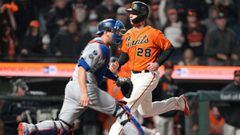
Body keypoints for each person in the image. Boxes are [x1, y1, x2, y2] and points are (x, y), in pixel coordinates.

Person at [18, 19, 143, 135]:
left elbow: (100, 69)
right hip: (84, 86)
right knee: (121, 112)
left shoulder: (103, 46)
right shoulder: (99, 47)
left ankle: (30, 128)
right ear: (106, 32)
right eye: (116, 31)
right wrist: (84, 93)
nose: (119, 35)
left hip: (73, 87)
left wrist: (116, 79)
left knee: (63, 125)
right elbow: (83, 68)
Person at [109, 1, 190, 134]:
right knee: (146, 111)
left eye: (134, 13)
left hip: (148, 75)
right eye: (130, 13)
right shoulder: (128, 34)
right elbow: (125, 54)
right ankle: (177, 103)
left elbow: (169, 48)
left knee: (125, 108)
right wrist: (118, 63)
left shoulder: (153, 33)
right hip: (134, 76)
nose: (130, 16)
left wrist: (158, 63)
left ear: (141, 15)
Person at [152, 61, 183, 135]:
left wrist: (175, 113)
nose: (169, 70)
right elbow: (154, 96)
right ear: (165, 69)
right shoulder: (160, 81)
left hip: (170, 115)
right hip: (160, 115)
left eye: (170, 68)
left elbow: (177, 98)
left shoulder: (175, 83)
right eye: (168, 68)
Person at [221, 70, 240, 135]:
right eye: (237, 76)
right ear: (234, 77)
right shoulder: (228, 89)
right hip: (230, 123)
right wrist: (226, 118)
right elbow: (220, 104)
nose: (239, 77)